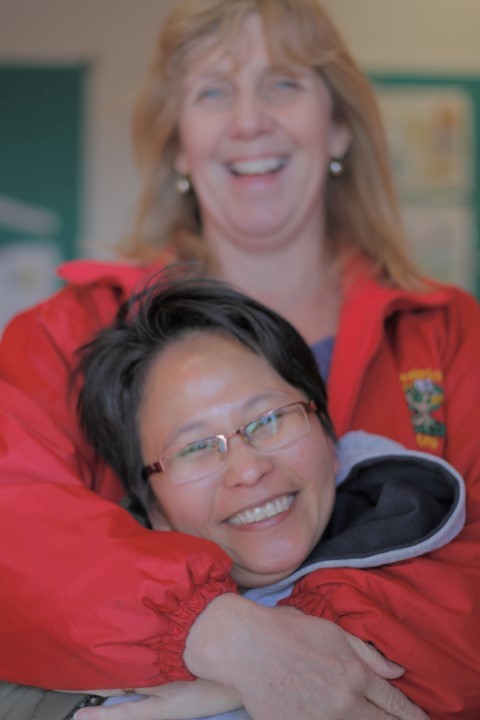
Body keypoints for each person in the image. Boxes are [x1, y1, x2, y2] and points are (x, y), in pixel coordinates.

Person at [0, 0, 479, 717]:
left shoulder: (446, 332)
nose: (249, 120)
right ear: (178, 145)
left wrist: (283, 656)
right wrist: (215, 634)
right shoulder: (65, 334)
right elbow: (15, 530)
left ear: (339, 126)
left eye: (284, 82)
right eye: (213, 92)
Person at [75, 275, 467, 720]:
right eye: (196, 448)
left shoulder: (425, 515)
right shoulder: (109, 669)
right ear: (152, 507)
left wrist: (247, 680)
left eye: (269, 420)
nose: (248, 469)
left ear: (329, 438)